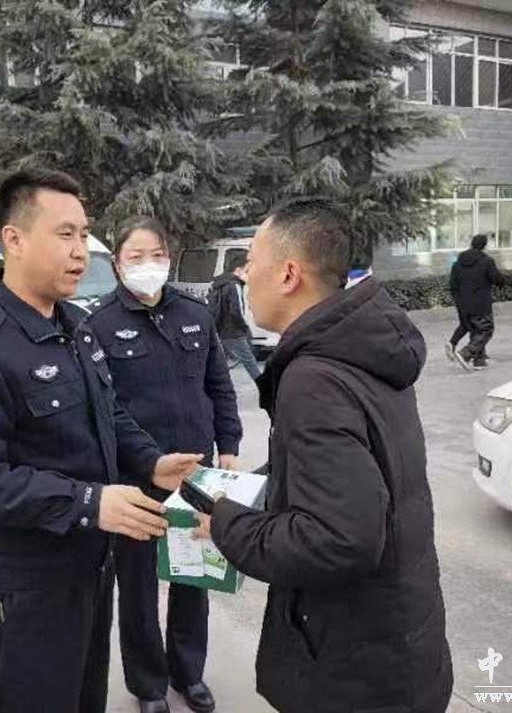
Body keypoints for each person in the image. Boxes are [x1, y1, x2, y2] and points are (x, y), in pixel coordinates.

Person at [0, 168, 201, 713]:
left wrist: (151, 461)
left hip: (89, 571)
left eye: (84, 234)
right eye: (65, 234)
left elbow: (108, 413)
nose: (80, 251)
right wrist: (90, 502)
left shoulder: (75, 325)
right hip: (24, 589)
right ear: (14, 239)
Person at [194, 198, 453, 713]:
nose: (244, 275)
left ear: (289, 274)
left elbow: (339, 539)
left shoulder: (314, 378)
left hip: (356, 671)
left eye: (251, 260)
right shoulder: (361, 346)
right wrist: (250, 488)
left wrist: (226, 524)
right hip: (399, 639)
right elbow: (346, 470)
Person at [87, 218, 242, 713]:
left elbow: (218, 385)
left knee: (193, 577)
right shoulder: (98, 324)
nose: (147, 264)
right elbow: (105, 411)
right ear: (117, 264)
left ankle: (188, 673)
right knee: (137, 590)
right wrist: (148, 461)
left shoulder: (194, 314)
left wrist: (229, 443)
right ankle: (149, 686)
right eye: (135, 256)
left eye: (155, 254)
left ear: (169, 259)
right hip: (136, 479)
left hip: (196, 473)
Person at [447, 233, 504, 371]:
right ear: (484, 245)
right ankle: (466, 353)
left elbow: (453, 285)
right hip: (480, 303)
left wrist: (459, 301)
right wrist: (505, 281)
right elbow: (496, 279)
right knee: (485, 330)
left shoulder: (458, 263)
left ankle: (479, 360)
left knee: (475, 329)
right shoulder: (487, 261)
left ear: (472, 243)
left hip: (462, 303)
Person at [208, 255, 262, 381]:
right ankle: (265, 387)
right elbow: (237, 311)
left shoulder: (219, 283)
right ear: (238, 270)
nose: (248, 274)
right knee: (250, 361)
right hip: (234, 331)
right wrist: (245, 328)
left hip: (220, 328)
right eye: (246, 271)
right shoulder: (234, 285)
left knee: (219, 362)